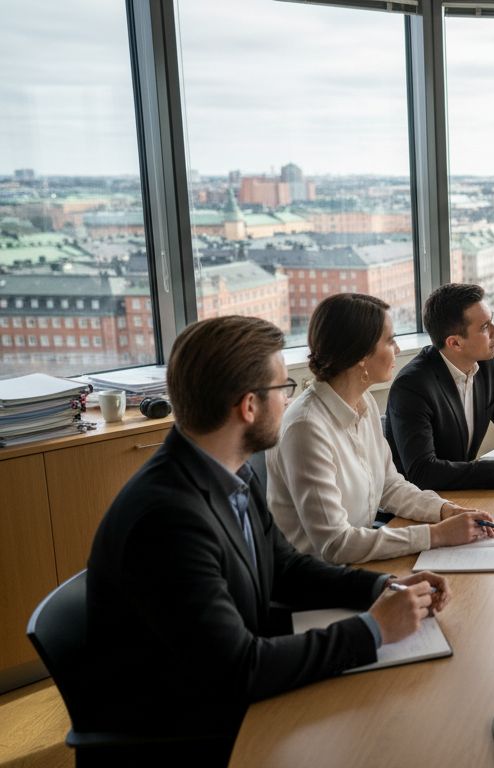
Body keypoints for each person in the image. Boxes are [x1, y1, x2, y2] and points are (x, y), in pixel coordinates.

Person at [85, 316, 449, 765]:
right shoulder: (167, 520)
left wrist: (382, 587)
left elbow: (285, 568)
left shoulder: (227, 469)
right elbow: (239, 670)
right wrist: (374, 629)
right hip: (190, 728)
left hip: (232, 683)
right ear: (248, 407)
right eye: (283, 388)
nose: (289, 400)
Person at [268, 293, 494, 564]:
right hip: (320, 579)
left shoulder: (362, 400)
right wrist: (436, 535)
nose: (397, 350)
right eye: (390, 340)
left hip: (360, 562)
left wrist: (446, 510)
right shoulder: (306, 428)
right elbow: (335, 544)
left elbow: (389, 486)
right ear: (361, 355)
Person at [386, 283, 494, 491]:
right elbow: (423, 472)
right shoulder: (412, 387)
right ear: (455, 343)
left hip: (463, 493)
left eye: (492, 321)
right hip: (417, 501)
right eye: (485, 327)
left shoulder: (486, 365)